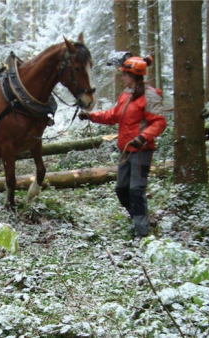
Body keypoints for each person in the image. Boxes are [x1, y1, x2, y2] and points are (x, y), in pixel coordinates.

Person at [78, 54, 167, 238]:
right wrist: (91, 116)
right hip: (125, 150)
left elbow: (159, 122)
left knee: (136, 189)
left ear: (133, 76)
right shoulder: (126, 95)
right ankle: (137, 217)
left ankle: (143, 234)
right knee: (121, 189)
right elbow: (113, 115)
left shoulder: (149, 96)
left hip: (141, 151)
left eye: (125, 75)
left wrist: (143, 137)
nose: (122, 77)